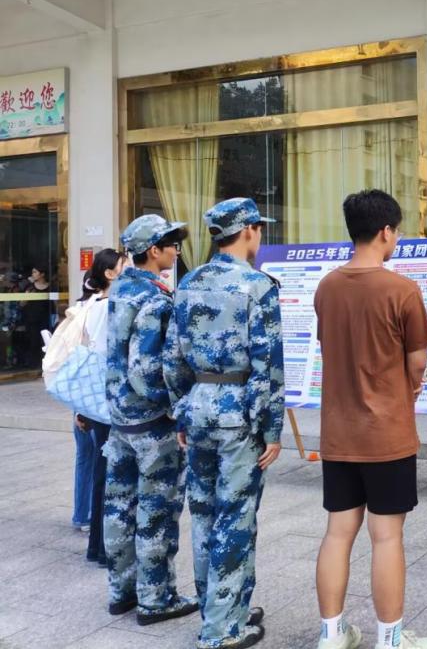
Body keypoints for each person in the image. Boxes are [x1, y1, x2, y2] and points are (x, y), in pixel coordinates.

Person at [313, 189, 427, 649]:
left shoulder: (327, 287)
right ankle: (391, 639)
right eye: (397, 232)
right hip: (387, 434)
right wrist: (412, 385)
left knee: (337, 532)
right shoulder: (401, 290)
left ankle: (331, 634)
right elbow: (418, 360)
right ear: (385, 232)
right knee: (386, 537)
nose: (397, 240)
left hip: (338, 433)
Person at [164, 198, 284, 649]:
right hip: (238, 416)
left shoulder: (188, 282)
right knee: (236, 518)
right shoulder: (258, 286)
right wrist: (271, 429)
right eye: (259, 228)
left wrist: (181, 409)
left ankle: (223, 607)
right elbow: (268, 365)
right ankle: (221, 629)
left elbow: (172, 356)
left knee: (204, 515)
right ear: (248, 229)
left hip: (198, 408)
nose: (260, 235)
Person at [105, 215, 198, 625]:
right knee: (156, 512)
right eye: (171, 243)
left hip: (120, 420)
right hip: (151, 424)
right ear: (153, 250)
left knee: (119, 508)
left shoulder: (120, 290)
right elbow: (145, 371)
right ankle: (156, 598)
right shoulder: (155, 298)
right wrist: (175, 405)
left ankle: (121, 591)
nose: (177, 249)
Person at [78, 248, 129, 566]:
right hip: (111, 400)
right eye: (125, 266)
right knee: (112, 474)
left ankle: (97, 546)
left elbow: (85, 356)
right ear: (110, 274)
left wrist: (81, 407)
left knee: (102, 470)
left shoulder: (90, 305)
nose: (130, 270)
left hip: (95, 400)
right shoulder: (113, 307)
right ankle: (106, 549)